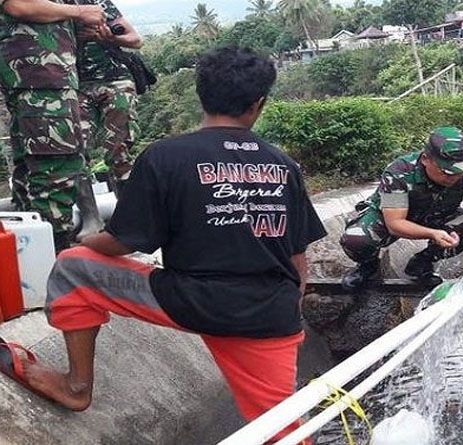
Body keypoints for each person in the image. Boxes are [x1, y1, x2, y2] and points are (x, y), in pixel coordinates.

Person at [7, 47, 326, 442]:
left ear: (201, 95)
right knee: (286, 430)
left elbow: (124, 241)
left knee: (73, 266)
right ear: (258, 104)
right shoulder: (282, 164)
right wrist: (288, 307)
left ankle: (76, 387)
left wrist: (88, 240)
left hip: (190, 299)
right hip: (268, 314)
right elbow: (299, 258)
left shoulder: (166, 156)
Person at [340, 126, 463, 291]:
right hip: (392, 217)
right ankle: (368, 266)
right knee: (356, 239)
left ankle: (422, 263)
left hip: (437, 215)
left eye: (460, 172)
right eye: (447, 172)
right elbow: (395, 223)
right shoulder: (399, 171)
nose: (454, 177)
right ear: (426, 159)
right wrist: (432, 234)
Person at [0, 0, 105, 251]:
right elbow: (18, 5)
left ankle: (35, 259)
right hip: (38, 79)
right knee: (55, 168)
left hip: (46, 77)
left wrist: (78, 26)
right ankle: (53, 262)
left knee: (43, 167)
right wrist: (80, 12)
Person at [71, 0, 143, 240]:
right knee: (74, 150)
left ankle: (130, 219)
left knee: (119, 150)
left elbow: (135, 39)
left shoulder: (98, 3)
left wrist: (109, 38)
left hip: (115, 80)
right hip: (76, 85)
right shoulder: (54, 8)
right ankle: (91, 218)